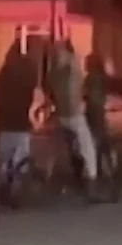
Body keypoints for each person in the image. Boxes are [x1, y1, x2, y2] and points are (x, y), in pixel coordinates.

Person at [46, 41, 102, 203]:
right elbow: (79, 91)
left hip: (60, 115)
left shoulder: (54, 72)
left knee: (54, 149)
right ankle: (91, 185)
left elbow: (49, 88)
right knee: (88, 149)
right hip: (75, 116)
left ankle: (48, 177)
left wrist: (52, 105)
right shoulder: (73, 70)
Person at [0, 44, 37, 200]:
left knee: (3, 158)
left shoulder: (1, 79)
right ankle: (15, 189)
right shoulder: (27, 78)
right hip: (21, 123)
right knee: (20, 159)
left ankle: (1, 190)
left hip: (4, 124)